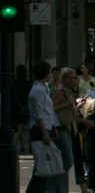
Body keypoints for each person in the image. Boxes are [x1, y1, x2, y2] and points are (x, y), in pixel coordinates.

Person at [27, 60, 62, 193]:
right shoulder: (38, 90)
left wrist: (52, 128)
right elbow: (39, 113)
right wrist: (45, 132)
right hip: (39, 131)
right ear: (46, 74)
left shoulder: (42, 88)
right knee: (42, 169)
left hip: (45, 129)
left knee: (41, 168)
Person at [53, 67, 89, 193]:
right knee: (67, 161)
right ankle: (54, 187)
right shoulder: (60, 91)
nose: (74, 80)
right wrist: (68, 104)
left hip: (70, 127)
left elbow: (70, 110)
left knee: (67, 161)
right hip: (61, 128)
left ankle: (62, 189)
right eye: (72, 77)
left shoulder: (69, 92)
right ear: (64, 78)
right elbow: (53, 108)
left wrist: (77, 105)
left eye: (75, 77)